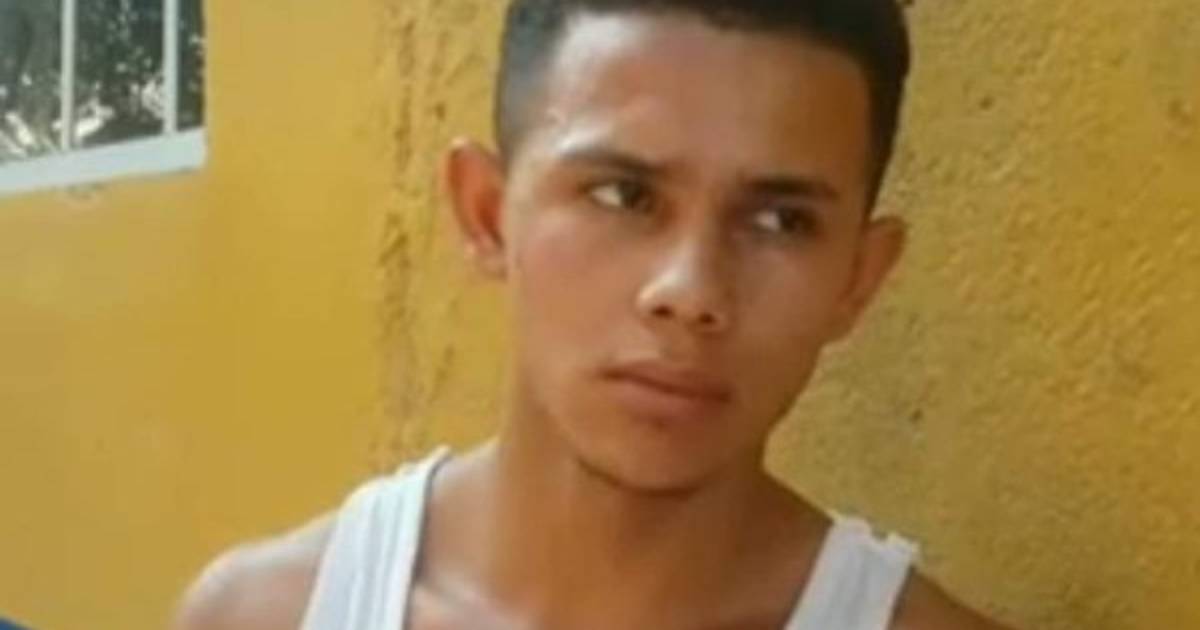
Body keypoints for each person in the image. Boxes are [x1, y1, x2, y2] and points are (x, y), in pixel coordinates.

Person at [176, 1, 1017, 628]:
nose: (690, 291)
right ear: (486, 214)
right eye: (624, 196)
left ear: (859, 280)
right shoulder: (268, 614)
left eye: (779, 220)